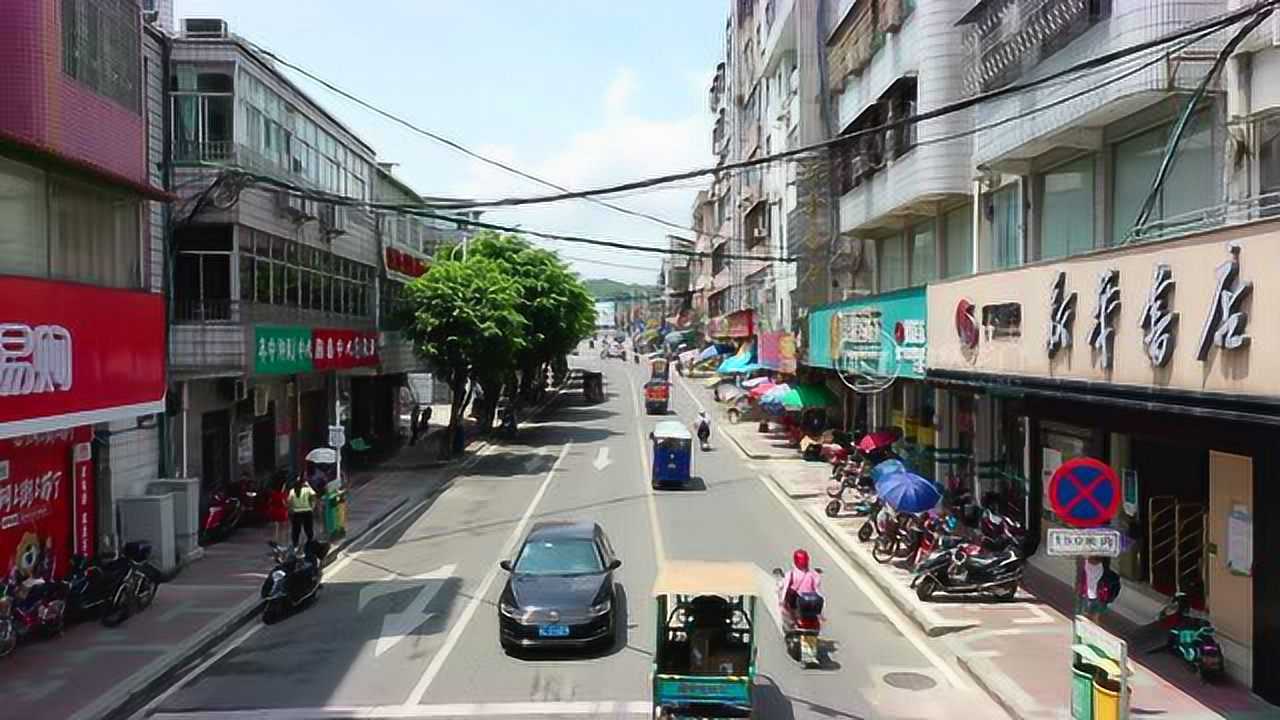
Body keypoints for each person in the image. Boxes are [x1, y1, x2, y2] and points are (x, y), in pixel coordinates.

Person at [780, 549, 823, 620]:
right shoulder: (814, 574)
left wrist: (782, 602)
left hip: (795, 602)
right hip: (810, 601)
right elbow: (817, 590)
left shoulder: (791, 574)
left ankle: (789, 615)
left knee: (789, 596)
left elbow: (784, 588)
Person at [286, 475, 318, 547]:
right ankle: (310, 544)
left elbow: (289, 501)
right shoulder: (307, 489)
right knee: (308, 530)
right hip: (307, 511)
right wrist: (312, 507)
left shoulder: (292, 491)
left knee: (296, 531)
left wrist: (291, 510)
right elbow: (314, 495)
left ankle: (295, 545)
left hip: (296, 513)